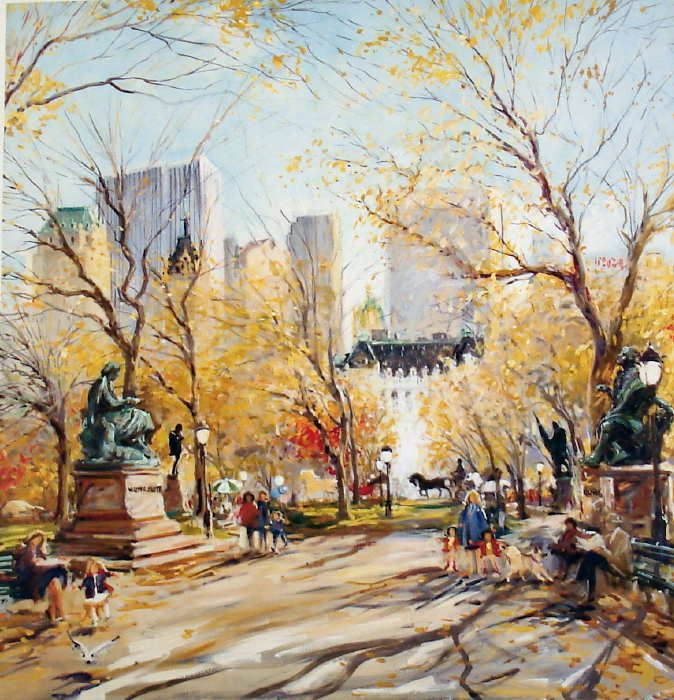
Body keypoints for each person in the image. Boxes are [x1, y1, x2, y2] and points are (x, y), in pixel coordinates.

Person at [14, 531, 68, 623]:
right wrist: (51, 564)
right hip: (31, 584)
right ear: (30, 540)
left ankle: (55, 614)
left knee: (55, 583)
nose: (36, 543)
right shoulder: (27, 551)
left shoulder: (38, 551)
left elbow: (43, 563)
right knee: (55, 580)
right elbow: (34, 567)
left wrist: (54, 562)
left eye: (39, 541)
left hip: (41, 580)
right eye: (35, 540)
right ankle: (60, 613)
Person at [458, 490, 490, 575]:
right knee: (470, 553)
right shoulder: (465, 510)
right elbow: (461, 522)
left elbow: (483, 522)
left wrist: (484, 532)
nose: (473, 499)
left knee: (478, 553)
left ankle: (479, 570)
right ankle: (473, 569)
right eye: (471, 497)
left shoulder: (478, 509)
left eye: (474, 497)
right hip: (467, 534)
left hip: (477, 534)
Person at [81, 558, 113, 626]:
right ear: (89, 569)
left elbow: (107, 573)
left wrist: (102, 565)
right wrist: (81, 587)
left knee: (105, 601)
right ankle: (95, 620)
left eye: (96, 567)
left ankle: (107, 616)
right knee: (92, 607)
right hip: (91, 596)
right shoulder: (88, 578)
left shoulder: (101, 575)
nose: (94, 569)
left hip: (99, 594)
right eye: (92, 568)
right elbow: (83, 586)